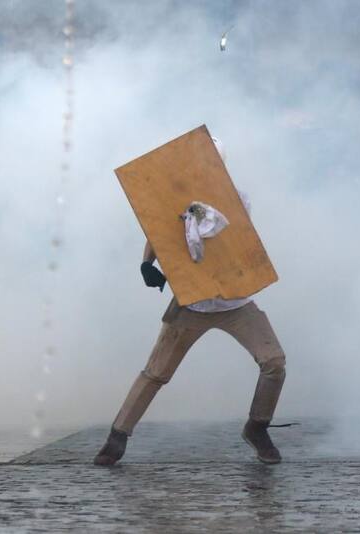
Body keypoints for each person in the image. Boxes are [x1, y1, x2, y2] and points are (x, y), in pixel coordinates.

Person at [94, 139, 287, 465]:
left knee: (274, 362)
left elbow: (227, 240)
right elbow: (159, 232)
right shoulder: (173, 197)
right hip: (192, 304)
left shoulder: (237, 198)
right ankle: (117, 437)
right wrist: (147, 263)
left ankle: (257, 427)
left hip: (234, 303)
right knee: (156, 372)